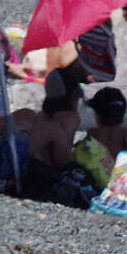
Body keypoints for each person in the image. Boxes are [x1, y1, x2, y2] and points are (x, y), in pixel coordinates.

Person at [21, 67, 83, 201]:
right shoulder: (70, 118)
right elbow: (62, 157)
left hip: (28, 167)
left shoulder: (41, 115)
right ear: (73, 96)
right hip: (45, 174)